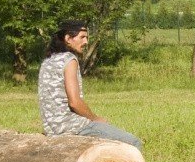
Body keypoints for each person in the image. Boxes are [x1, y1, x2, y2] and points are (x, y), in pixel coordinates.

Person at [37, 20, 143, 151]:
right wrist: (95, 119)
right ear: (68, 38)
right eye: (82, 37)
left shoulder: (48, 60)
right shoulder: (69, 60)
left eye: (86, 37)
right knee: (133, 143)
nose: (86, 42)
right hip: (71, 126)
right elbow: (74, 102)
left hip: (52, 128)